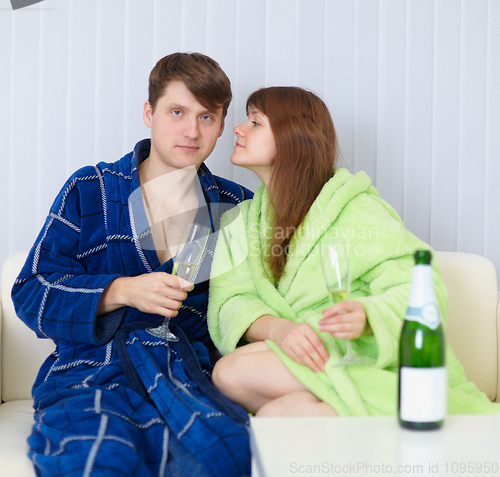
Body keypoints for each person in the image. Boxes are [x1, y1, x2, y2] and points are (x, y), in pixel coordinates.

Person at [12, 53, 253, 477]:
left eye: (206, 117)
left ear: (221, 125)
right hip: (89, 373)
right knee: (97, 460)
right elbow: (31, 289)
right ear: (149, 113)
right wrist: (119, 290)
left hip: (188, 376)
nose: (191, 131)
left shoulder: (235, 208)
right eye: (177, 112)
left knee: (223, 456)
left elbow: (255, 301)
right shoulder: (91, 188)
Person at [207, 86, 500, 418]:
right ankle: (392, 413)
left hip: (365, 358)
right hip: (289, 353)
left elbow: (422, 284)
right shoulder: (239, 222)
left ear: (293, 135)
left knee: (231, 374)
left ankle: (416, 401)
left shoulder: (353, 209)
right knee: (281, 411)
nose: (238, 128)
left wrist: (368, 317)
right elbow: (230, 301)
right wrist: (279, 329)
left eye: (255, 122)